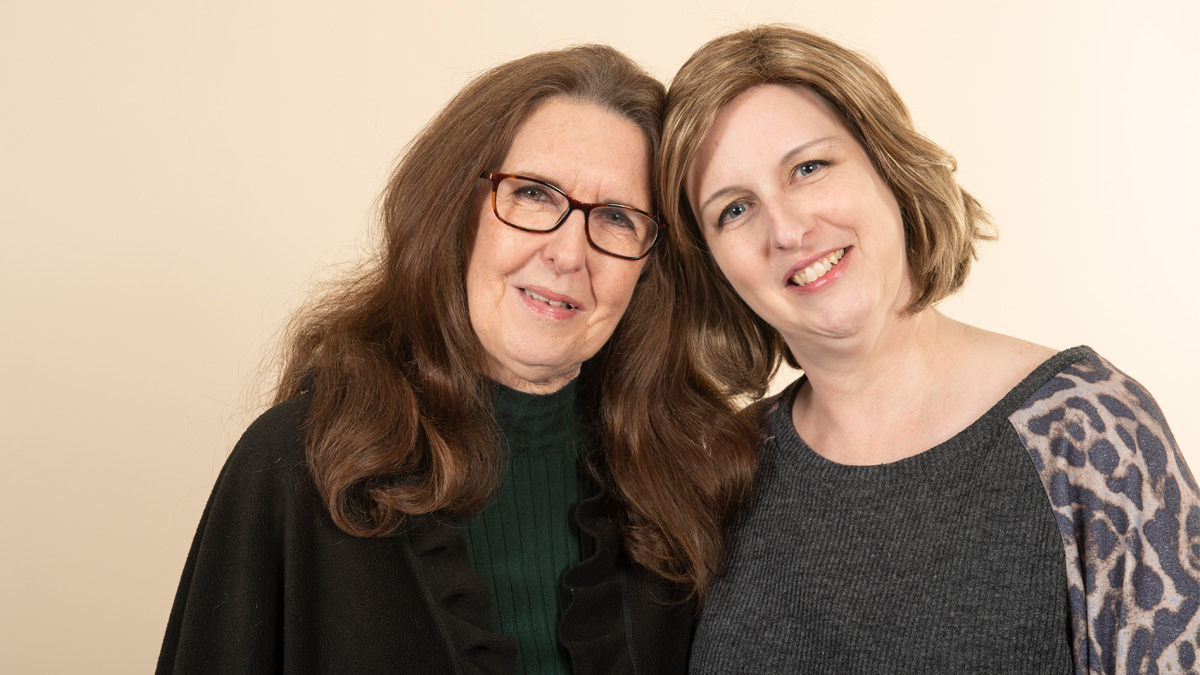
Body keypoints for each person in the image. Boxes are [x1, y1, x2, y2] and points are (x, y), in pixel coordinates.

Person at [156, 45, 757, 675]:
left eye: (616, 218)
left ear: (652, 261)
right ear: (455, 212)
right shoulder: (298, 465)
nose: (568, 254)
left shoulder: (693, 482)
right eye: (532, 194)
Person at [658, 25, 1199, 674]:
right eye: (734, 209)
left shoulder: (1086, 433)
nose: (788, 229)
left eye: (809, 167)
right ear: (713, 263)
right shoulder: (721, 473)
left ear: (887, 166)